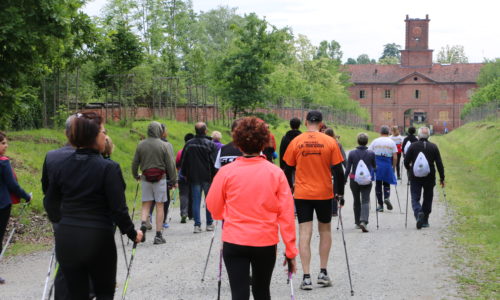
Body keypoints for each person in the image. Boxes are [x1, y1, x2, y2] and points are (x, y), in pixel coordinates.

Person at [44, 113, 143, 299]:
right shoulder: (108, 168)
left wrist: (64, 221)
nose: (105, 136)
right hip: (97, 238)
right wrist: (132, 233)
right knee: (104, 292)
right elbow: (118, 209)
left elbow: (50, 203)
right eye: (103, 132)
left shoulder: (61, 165)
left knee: (75, 293)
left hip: (67, 237)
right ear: (93, 136)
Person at [206, 117, 297, 300]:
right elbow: (286, 214)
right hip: (265, 241)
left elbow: (213, 207)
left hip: (234, 240)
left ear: (238, 144)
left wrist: (224, 214)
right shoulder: (275, 173)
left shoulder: (226, 172)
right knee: (262, 292)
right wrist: (290, 251)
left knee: (239, 294)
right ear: (264, 143)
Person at [283, 110, 344, 290]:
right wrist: (340, 193)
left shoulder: (296, 141)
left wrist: (289, 187)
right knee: (325, 231)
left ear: (305, 122)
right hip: (324, 193)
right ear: (321, 123)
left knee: (304, 232)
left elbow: (286, 169)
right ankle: (323, 272)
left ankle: (306, 276)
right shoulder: (330, 141)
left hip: (302, 194)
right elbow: (339, 171)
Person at [41, 115, 78, 299]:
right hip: (82, 218)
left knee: (63, 261)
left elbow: (45, 187)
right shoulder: (91, 157)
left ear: (66, 133)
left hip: (58, 216)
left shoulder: (51, 156)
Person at [132, 121, 177, 244]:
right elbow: (171, 165)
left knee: (146, 204)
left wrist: (136, 175)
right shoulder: (164, 145)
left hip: (146, 178)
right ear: (159, 131)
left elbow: (135, 162)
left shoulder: (141, 145)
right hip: (160, 179)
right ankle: (158, 235)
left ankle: (142, 228)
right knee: (159, 205)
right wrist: (173, 180)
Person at [0, 131, 32, 285]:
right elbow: (12, 184)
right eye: (3, 143)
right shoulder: (3, 162)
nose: (6, 146)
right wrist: (27, 196)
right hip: (1, 205)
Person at [404, 127, 445, 229]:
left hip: (415, 176)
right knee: (428, 197)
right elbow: (439, 163)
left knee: (415, 196)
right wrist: (442, 177)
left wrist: (409, 169)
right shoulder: (433, 147)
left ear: (418, 136)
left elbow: (406, 161)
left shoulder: (413, 146)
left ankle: (418, 212)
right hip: (429, 176)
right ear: (429, 136)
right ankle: (425, 220)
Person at [180, 122, 218, 233]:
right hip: (208, 177)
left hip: (194, 177)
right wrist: (215, 176)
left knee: (196, 201)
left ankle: (197, 225)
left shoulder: (189, 144)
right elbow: (214, 162)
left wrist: (186, 175)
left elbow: (183, 162)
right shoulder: (210, 144)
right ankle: (209, 223)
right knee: (209, 201)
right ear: (205, 131)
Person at [344, 133, 376, 232]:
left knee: (356, 200)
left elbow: (348, 168)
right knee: (365, 200)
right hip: (366, 180)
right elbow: (374, 167)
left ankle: (357, 222)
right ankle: (364, 221)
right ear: (367, 142)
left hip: (354, 180)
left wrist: (344, 179)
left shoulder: (352, 153)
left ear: (358, 141)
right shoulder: (371, 153)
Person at [149, 124, 177, 229]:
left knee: (151, 197)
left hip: (149, 174)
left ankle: (149, 216)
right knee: (164, 198)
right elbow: (171, 163)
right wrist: (173, 179)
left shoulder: (147, 143)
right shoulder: (167, 145)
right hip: (162, 175)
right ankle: (163, 220)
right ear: (162, 132)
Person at [368, 125, 398, 212]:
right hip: (387, 163)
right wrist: (393, 167)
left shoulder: (375, 141)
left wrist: (370, 165)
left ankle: (380, 205)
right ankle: (387, 197)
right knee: (386, 183)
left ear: (380, 132)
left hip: (377, 163)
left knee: (378, 184)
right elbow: (395, 157)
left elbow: (370, 153)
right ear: (388, 132)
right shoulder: (391, 142)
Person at [324, 128, 347, 217]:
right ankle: (334, 211)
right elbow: (343, 158)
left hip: (326, 168)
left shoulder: (322, 144)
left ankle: (327, 209)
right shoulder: (338, 144)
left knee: (327, 189)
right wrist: (346, 169)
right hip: (336, 167)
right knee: (335, 189)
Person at [279, 117, 302, 191]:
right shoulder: (302, 137)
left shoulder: (285, 137)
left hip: (287, 164)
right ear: (299, 125)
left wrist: (282, 165)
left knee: (289, 185)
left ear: (290, 125)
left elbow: (282, 151)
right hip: (300, 164)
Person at [176, 133, 194, 223]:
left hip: (182, 176)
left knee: (183, 195)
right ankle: (191, 214)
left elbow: (177, 165)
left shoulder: (180, 152)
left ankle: (183, 213)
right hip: (193, 177)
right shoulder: (194, 152)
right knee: (192, 195)